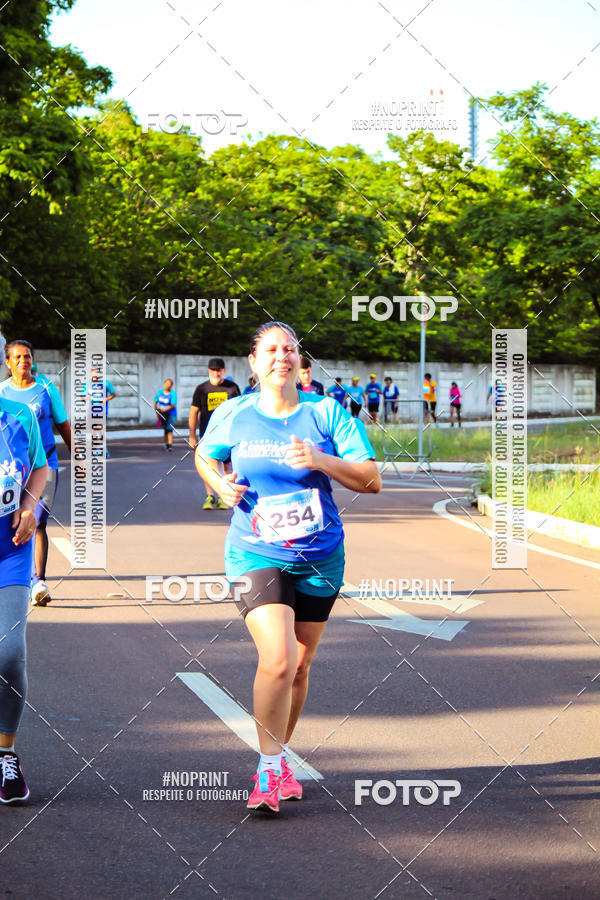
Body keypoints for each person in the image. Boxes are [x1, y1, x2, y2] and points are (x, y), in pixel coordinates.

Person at [195, 321, 381, 813]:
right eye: (271, 350)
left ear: (301, 362)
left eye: (290, 349)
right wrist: (218, 485)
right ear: (254, 363)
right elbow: (205, 456)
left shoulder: (327, 413)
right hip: (255, 552)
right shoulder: (234, 413)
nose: (282, 356)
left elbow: (371, 479)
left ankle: (279, 761)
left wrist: (320, 459)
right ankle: (268, 765)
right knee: (277, 658)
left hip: (320, 555)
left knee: (299, 664)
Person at [0, 376, 48, 801]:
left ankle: (5, 752)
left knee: (10, 653)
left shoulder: (18, 415)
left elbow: (39, 466)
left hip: (9, 549)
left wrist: (31, 509)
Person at [0, 340, 72, 607]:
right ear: (7, 362)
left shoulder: (45, 388)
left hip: (45, 464)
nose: (23, 362)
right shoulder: (2, 393)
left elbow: (62, 424)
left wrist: (77, 456)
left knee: (37, 520)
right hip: (11, 469)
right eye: (17, 357)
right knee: (10, 520)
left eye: (27, 356)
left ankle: (37, 581)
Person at [189, 358, 240, 510]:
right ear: (209, 371)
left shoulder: (232, 388)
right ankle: (210, 496)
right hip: (207, 434)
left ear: (223, 371)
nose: (216, 373)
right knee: (209, 465)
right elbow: (193, 412)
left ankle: (223, 496)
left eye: (219, 370)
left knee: (227, 467)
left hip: (229, 434)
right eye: (213, 370)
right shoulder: (201, 389)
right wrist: (192, 435)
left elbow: (240, 411)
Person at [82, 367, 116, 458]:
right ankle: (97, 449)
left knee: (100, 430)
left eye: (97, 373)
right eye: (93, 373)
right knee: (93, 431)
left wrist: (105, 400)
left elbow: (114, 394)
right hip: (91, 411)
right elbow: (83, 397)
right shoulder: (87, 384)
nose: (95, 375)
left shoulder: (105, 383)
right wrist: (87, 397)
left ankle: (103, 449)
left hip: (102, 411)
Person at [153, 379, 177, 451]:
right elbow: (155, 402)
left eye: (170, 384)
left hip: (171, 414)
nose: (168, 385)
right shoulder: (160, 393)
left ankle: (170, 445)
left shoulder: (172, 394)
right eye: (167, 383)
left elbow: (173, 404)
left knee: (169, 428)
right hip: (162, 413)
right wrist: (157, 411)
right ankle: (166, 444)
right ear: (164, 384)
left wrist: (165, 410)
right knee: (165, 428)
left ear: (171, 386)